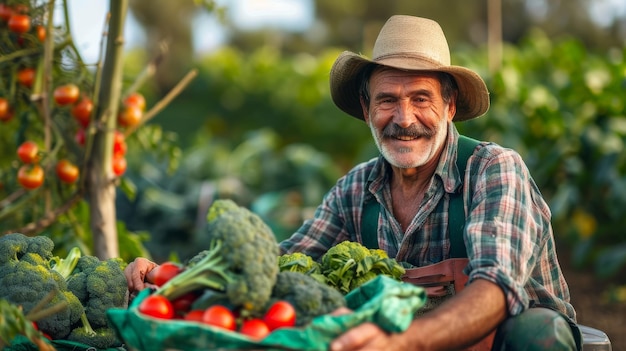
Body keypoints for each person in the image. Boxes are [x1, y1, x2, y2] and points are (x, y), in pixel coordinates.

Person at [125, 15, 580, 351]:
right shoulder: (356, 190)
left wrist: (406, 343)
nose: (404, 119)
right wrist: (174, 278)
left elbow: (497, 288)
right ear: (366, 110)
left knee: (537, 335)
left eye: (421, 98)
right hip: (398, 342)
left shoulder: (492, 169)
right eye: (387, 100)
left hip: (496, 342)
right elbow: (279, 263)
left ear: (449, 107)